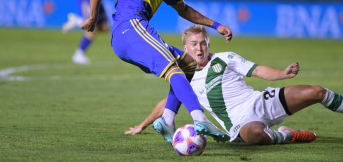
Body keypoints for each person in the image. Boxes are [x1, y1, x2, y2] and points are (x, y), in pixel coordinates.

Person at [80, 0, 233, 145]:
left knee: (189, 64)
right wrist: (93, 17)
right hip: (129, 28)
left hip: (136, 32)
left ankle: (167, 120)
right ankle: (200, 119)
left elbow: (185, 10)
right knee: (173, 69)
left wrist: (216, 25)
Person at [125, 25, 343, 145]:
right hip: (240, 123)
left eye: (203, 43)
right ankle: (289, 135)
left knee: (318, 92)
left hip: (259, 101)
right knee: (255, 136)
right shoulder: (185, 77)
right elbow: (167, 103)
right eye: (194, 45)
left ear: (208, 43)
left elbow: (257, 70)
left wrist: (282, 74)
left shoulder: (225, 57)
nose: (199, 48)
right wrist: (143, 125)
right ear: (186, 47)